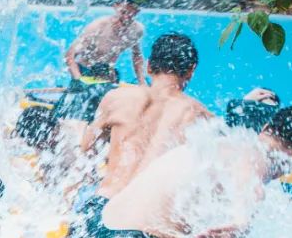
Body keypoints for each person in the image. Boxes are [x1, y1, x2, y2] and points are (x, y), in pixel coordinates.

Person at [62, 106, 292, 238]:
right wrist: (242, 223)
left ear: (266, 127)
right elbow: (248, 184)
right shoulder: (256, 156)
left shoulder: (223, 143)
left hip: (99, 231)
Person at [81, 32, 212, 198]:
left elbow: (87, 147)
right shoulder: (200, 115)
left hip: (105, 203)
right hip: (147, 210)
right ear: (191, 71)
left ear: (148, 66)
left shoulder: (118, 98)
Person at [64, 0, 145, 85]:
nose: (126, 17)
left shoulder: (136, 30)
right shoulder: (98, 27)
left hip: (108, 74)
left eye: (130, 14)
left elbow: (137, 57)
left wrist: (142, 82)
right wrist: (78, 79)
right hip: (85, 72)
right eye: (123, 12)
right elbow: (69, 55)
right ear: (115, 7)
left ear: (137, 12)